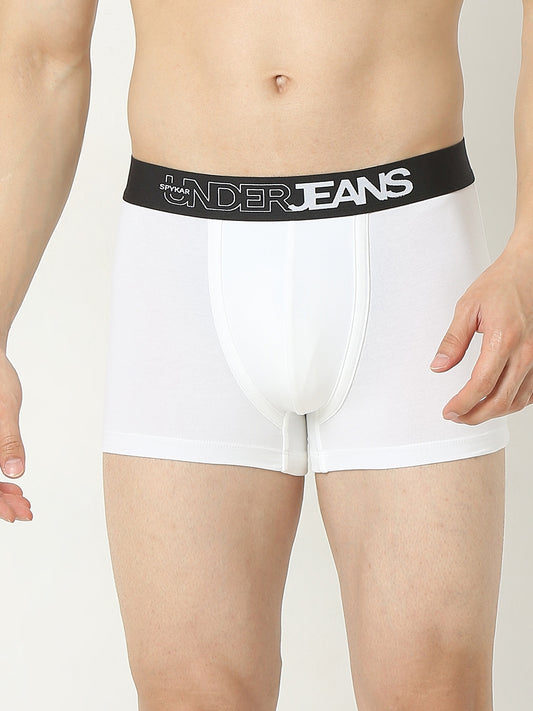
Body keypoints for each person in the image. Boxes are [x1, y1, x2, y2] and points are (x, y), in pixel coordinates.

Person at [1, 1, 532, 709]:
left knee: (434, 692)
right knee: (190, 697)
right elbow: (39, 54)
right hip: (180, 266)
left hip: (411, 251)